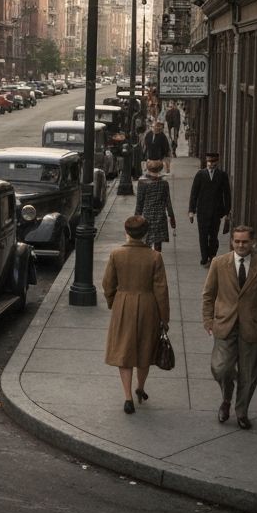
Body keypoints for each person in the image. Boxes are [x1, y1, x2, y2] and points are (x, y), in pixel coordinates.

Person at [202, 225, 257, 430]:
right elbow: (208, 295)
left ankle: (241, 412)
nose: (240, 245)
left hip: (252, 327)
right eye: (237, 241)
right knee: (221, 368)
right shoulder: (219, 263)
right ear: (231, 242)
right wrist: (208, 320)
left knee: (249, 374)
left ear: (253, 242)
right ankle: (226, 399)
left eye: (245, 241)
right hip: (225, 324)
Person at [103, 215, 171, 414]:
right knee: (144, 349)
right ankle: (140, 388)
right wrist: (164, 317)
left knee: (124, 350)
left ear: (127, 232)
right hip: (148, 305)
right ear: (146, 234)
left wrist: (112, 302)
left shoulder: (116, 255)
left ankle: (127, 397)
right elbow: (161, 289)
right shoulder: (155, 257)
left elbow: (108, 284)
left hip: (123, 303)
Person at [188, 152, 232, 267]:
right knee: (203, 235)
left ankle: (212, 255)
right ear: (206, 162)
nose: (211, 164)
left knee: (213, 235)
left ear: (217, 162)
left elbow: (227, 194)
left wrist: (227, 212)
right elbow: (194, 193)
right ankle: (204, 258)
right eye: (209, 162)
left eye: (213, 162)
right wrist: (191, 211)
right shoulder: (200, 175)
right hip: (202, 211)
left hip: (216, 212)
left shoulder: (222, 175)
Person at [133, 159, 176, 251]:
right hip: (160, 215)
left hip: (147, 215)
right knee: (158, 242)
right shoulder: (164, 183)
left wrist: (136, 217)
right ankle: (157, 260)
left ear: (148, 169)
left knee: (147, 241)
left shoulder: (142, 182)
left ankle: (148, 260)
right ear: (160, 169)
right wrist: (171, 217)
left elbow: (139, 202)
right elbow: (168, 202)